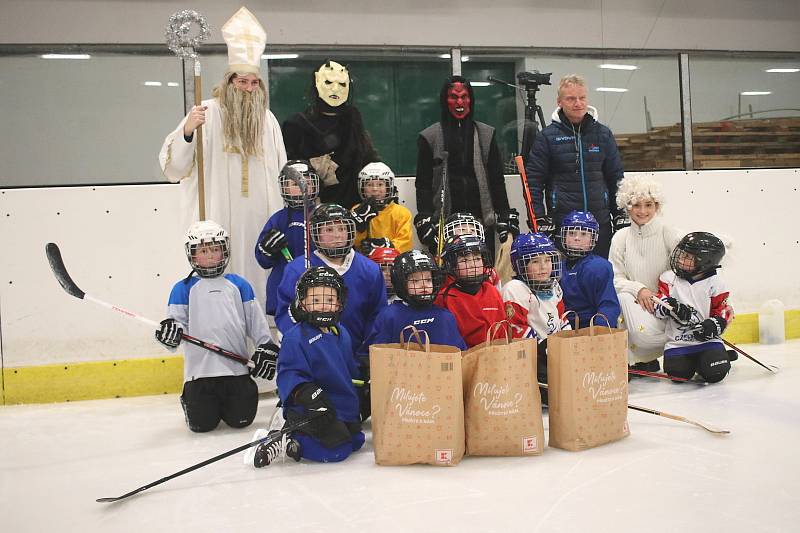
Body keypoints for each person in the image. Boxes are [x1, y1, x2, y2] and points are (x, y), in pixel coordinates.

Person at [159, 8, 286, 308]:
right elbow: (175, 167)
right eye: (242, 82)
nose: (248, 89)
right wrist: (188, 130)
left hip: (259, 221)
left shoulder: (267, 121)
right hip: (215, 219)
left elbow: (281, 174)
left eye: (254, 83)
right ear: (229, 82)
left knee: (259, 286)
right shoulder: (206, 113)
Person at [154, 220, 279, 433]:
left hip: (237, 372)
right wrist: (171, 334)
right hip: (199, 375)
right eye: (203, 250)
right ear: (192, 255)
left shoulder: (239, 285)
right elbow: (175, 327)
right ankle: (190, 399)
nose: (210, 255)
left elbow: (258, 327)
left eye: (215, 249)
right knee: (202, 425)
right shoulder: (182, 288)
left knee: (242, 420)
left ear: (224, 251)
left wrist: (266, 348)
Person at [253, 267, 364, 467]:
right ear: (302, 302)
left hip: (337, 405)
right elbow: (289, 374)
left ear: (339, 302)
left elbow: (348, 369)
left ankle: (308, 434)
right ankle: (290, 438)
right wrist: (308, 395)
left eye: (329, 300)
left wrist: (363, 376)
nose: (323, 306)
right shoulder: (296, 337)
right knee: (337, 452)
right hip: (310, 408)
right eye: (315, 301)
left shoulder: (342, 333)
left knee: (357, 441)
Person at [414, 76, 519, 259]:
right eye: (454, 97)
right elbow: (423, 184)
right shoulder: (429, 137)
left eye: (464, 96)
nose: (459, 102)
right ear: (445, 100)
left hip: (482, 222)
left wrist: (504, 213)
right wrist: (424, 218)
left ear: (471, 99)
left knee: (483, 272)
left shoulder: (486, 135)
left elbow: (496, 180)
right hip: (444, 224)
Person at [524, 74, 625, 259]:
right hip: (564, 225)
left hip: (599, 223)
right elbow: (533, 182)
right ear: (559, 102)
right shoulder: (547, 137)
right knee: (567, 278)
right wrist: (537, 217)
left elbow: (616, 177)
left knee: (600, 273)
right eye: (571, 99)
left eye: (582, 98)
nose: (578, 103)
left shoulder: (603, 134)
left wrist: (619, 213)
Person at [275, 203, 387, 361]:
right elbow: (284, 315)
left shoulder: (369, 270)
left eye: (342, 229)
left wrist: (367, 354)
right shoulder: (297, 269)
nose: (337, 235)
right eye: (329, 230)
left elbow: (377, 316)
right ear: (316, 233)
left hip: (356, 358)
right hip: (313, 357)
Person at [609, 175, 683, 373]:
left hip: (666, 305)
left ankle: (685, 346)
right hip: (635, 306)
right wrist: (639, 289)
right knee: (622, 298)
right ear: (627, 206)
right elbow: (615, 278)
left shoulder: (669, 233)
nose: (642, 211)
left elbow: (684, 274)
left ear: (657, 206)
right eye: (636, 205)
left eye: (648, 205)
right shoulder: (620, 237)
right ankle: (634, 360)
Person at [282, 60, 379, 208]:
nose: (335, 89)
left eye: (341, 84)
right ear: (317, 82)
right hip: (308, 207)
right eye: (329, 82)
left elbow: (368, 159)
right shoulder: (296, 125)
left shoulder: (353, 122)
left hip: (351, 206)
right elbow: (288, 170)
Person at [654, 232, 735, 383]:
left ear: (703, 262)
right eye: (681, 254)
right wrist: (668, 307)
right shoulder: (668, 278)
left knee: (716, 374)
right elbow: (657, 304)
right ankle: (708, 360)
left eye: (686, 257)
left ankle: (717, 356)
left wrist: (715, 324)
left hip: (707, 342)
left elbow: (724, 311)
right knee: (678, 375)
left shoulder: (716, 282)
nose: (679, 259)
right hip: (678, 343)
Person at [359, 250, 467, 354]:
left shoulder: (445, 317)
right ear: (401, 283)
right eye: (416, 281)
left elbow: (459, 354)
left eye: (428, 280)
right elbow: (374, 355)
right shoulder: (389, 316)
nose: (424, 285)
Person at [502, 232, 570, 398]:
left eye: (547, 260)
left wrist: (569, 341)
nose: (543, 266)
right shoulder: (515, 288)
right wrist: (544, 347)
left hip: (552, 349)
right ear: (521, 265)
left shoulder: (554, 286)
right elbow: (517, 329)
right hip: (530, 356)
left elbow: (561, 318)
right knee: (556, 389)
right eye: (535, 261)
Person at [255, 160, 319, 316]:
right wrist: (267, 250)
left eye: (306, 182)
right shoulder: (278, 220)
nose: (302, 187)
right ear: (285, 188)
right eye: (295, 184)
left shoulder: (322, 216)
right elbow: (263, 261)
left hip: (317, 290)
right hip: (284, 289)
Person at [435, 235, 508, 348]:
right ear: (452, 266)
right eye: (464, 260)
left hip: (497, 357)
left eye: (477, 259)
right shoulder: (444, 298)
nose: (473, 265)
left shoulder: (492, 291)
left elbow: (504, 332)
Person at [558, 211, 621, 328]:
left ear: (593, 238)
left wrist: (600, 330)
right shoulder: (555, 267)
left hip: (590, 328)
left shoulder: (598, 267)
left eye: (583, 234)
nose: (577, 238)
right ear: (563, 236)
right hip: (562, 328)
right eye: (571, 233)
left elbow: (608, 304)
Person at [351, 162, 413, 255]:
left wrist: (386, 246)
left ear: (388, 187)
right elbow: (355, 243)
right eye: (369, 185)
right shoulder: (356, 210)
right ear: (362, 187)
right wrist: (359, 226)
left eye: (380, 184)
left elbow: (405, 243)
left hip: (393, 261)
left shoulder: (402, 213)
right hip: (366, 260)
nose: (375, 189)